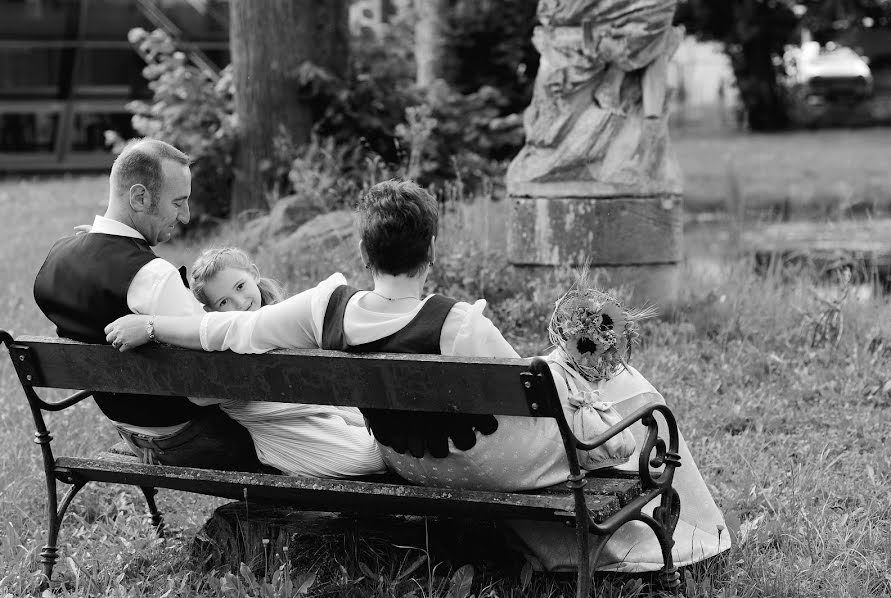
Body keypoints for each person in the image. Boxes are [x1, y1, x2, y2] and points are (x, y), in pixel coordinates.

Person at [105, 179, 730, 572]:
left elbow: (229, 331)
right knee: (630, 388)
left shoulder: (328, 309)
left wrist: (156, 327)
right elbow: (530, 393)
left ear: (365, 252)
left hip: (406, 460)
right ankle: (698, 541)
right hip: (500, 465)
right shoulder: (461, 325)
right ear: (431, 250)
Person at [33, 137, 261, 471]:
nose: (184, 216)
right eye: (178, 202)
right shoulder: (151, 277)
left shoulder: (56, 259)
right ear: (139, 197)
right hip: (195, 440)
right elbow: (208, 387)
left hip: (130, 431)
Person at [184, 247, 385, 478]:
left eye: (240, 286)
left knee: (381, 440)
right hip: (283, 431)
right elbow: (198, 397)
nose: (239, 303)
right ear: (210, 311)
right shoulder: (220, 344)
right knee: (371, 456)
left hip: (318, 411)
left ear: (254, 274)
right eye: (223, 302)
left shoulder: (281, 318)